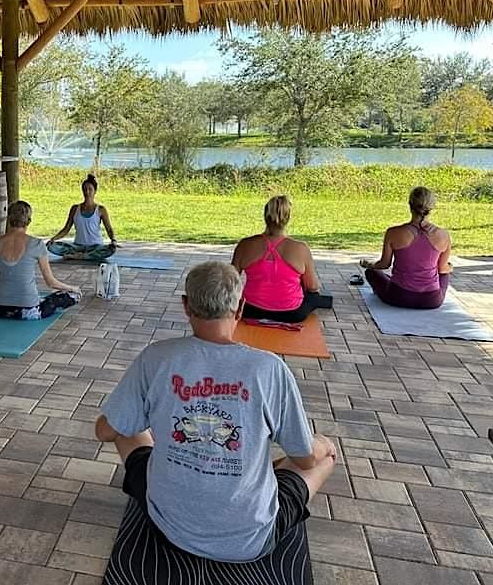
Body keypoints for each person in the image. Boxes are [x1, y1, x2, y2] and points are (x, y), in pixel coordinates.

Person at [94, 261, 336, 565]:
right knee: (322, 458)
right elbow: (305, 458)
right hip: (249, 540)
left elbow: (105, 431)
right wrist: (323, 442)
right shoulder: (269, 369)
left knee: (124, 423)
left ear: (186, 305)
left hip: (168, 526)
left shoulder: (156, 357)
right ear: (241, 306)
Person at [232, 195, 331, 323]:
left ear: (265, 217)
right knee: (314, 297)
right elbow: (312, 286)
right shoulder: (301, 248)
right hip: (292, 313)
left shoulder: (245, 244)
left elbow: (230, 280)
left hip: (250, 309)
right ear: (287, 218)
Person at [0, 200, 81, 320]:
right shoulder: (37, 244)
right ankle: (41, 302)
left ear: (8, 219)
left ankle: (1, 302)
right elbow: (51, 282)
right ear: (29, 221)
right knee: (74, 295)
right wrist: (73, 288)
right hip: (30, 311)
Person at [360, 186, 452, 309]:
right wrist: (450, 267)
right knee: (445, 272)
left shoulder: (393, 232)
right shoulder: (444, 235)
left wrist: (369, 265)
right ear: (432, 207)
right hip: (431, 301)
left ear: (410, 205)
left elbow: (384, 264)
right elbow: (442, 269)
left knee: (371, 273)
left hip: (398, 296)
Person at [47, 173, 118, 260]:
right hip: (77, 246)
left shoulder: (101, 209)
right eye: (84, 189)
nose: (87, 192)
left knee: (110, 250)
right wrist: (52, 239)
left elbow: (109, 229)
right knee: (52, 247)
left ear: (95, 191)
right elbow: (66, 229)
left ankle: (81, 256)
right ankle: (85, 256)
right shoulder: (75, 208)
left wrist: (113, 240)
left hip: (95, 247)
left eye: (90, 189)